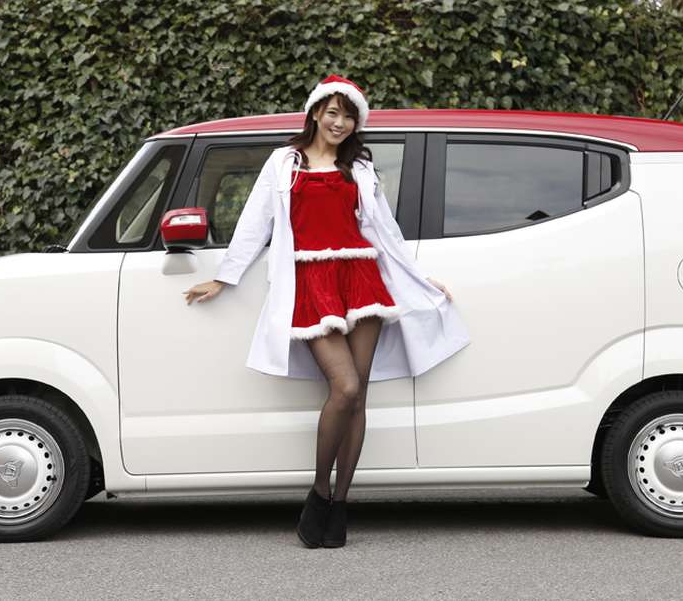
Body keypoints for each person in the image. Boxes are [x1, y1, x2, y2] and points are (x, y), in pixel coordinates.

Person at [183, 75, 469, 548]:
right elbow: (256, 221)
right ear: (315, 112)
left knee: (359, 397)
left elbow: (385, 229)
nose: (339, 123)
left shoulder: (359, 167)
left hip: (362, 277)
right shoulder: (285, 163)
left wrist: (420, 277)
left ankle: (341, 503)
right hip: (311, 283)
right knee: (345, 386)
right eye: (332, 112)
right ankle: (319, 492)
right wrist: (224, 277)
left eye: (349, 116)